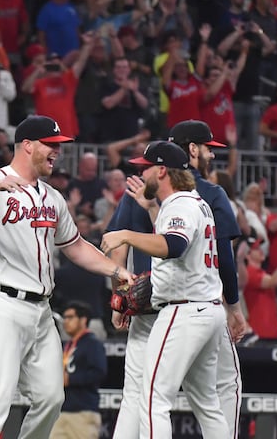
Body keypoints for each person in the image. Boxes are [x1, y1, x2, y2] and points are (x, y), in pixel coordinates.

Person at [0, 115, 133, 439]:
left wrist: (115, 270)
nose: (57, 152)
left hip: (41, 309)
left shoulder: (52, 197)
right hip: (0, 301)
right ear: (28, 145)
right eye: (51, 145)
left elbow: (74, 246)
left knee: (51, 397)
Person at [106, 119, 245, 439]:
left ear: (163, 171)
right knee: (208, 399)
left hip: (181, 308)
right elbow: (223, 257)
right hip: (204, 307)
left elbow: (173, 244)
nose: (141, 174)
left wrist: (120, 293)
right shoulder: (201, 199)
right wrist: (233, 306)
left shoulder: (179, 203)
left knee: (150, 396)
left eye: (147, 168)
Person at [50, 301, 107, 439]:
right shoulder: (65, 345)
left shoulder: (93, 343)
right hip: (60, 411)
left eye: (70, 317)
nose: (65, 321)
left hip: (83, 412)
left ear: (83, 320)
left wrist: (70, 379)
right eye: (64, 318)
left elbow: (99, 372)